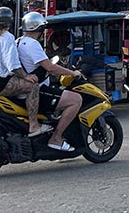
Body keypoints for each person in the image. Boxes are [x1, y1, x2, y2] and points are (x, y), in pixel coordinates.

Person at [0, 6, 49, 138]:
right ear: (11, 22)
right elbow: (12, 65)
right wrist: (26, 76)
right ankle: (34, 125)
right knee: (33, 86)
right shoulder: (7, 37)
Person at [16, 11, 83, 153]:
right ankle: (56, 138)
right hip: (38, 92)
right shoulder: (32, 44)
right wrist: (73, 73)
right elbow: (51, 67)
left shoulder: (19, 41)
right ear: (39, 29)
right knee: (76, 99)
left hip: (23, 89)